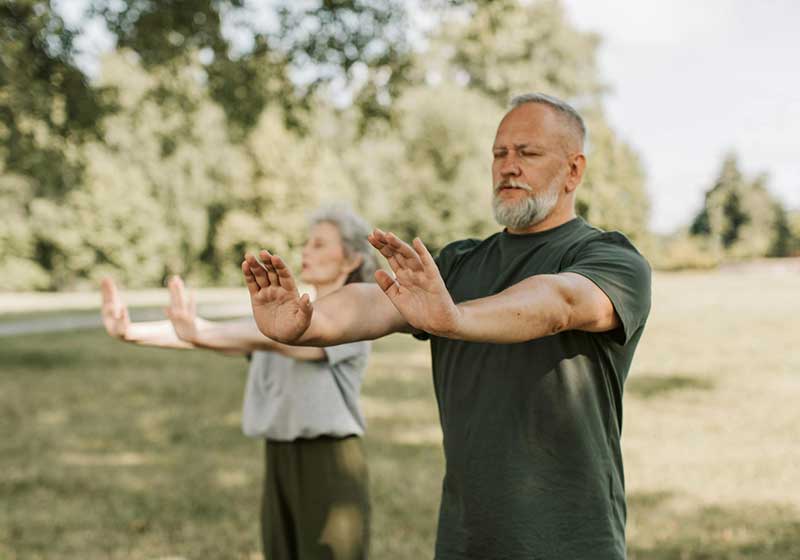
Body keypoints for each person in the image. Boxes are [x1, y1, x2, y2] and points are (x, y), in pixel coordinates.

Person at [241, 93, 652, 559]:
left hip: (572, 541)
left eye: (528, 153)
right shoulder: (459, 263)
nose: (508, 167)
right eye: (499, 153)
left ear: (574, 171)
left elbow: (560, 302)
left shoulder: (611, 259)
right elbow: (375, 300)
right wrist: (306, 324)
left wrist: (457, 319)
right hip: (466, 539)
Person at [101, 206, 378, 560]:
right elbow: (222, 335)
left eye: (320, 244)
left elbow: (282, 341)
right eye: (307, 242)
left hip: (328, 460)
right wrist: (130, 331)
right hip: (278, 454)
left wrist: (200, 331)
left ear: (351, 259)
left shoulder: (355, 317)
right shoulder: (280, 317)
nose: (306, 250)